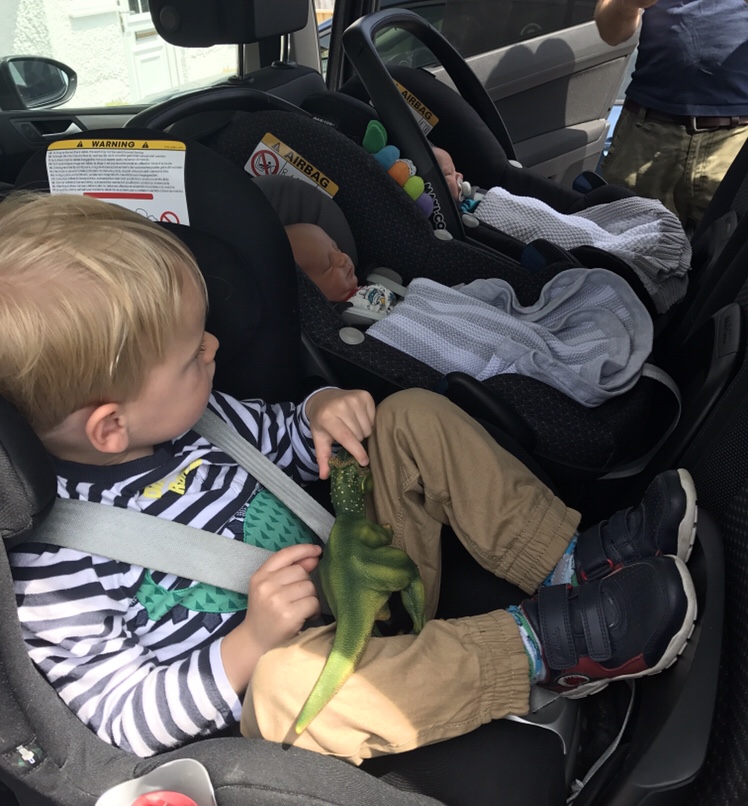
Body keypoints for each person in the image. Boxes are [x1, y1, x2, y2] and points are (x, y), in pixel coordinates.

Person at [3, 192, 697, 765]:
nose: (215, 348)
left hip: (358, 574)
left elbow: (291, 439)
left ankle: (566, 560)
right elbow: (121, 716)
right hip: (295, 683)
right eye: (192, 356)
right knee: (284, 685)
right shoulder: (58, 567)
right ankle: (541, 649)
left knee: (407, 418)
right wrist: (247, 648)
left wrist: (320, 409)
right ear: (109, 428)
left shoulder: (197, 418)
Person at [595, 0, 748, 234]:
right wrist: (628, 4)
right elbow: (610, 33)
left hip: (736, 141)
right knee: (622, 248)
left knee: (728, 260)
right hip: (646, 133)